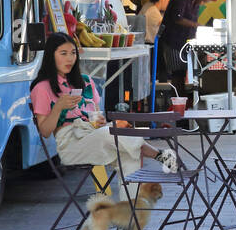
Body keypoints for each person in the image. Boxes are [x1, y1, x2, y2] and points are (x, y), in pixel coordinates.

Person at [31, 32, 178, 178]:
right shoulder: (42, 88)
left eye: (73, 53)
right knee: (111, 134)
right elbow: (45, 131)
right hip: (71, 144)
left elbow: (97, 117)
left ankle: (133, 200)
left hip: (95, 135)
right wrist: (58, 107)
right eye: (63, 53)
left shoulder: (85, 81)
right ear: (51, 56)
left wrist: (102, 121)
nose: (70, 58)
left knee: (128, 155)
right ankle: (160, 155)